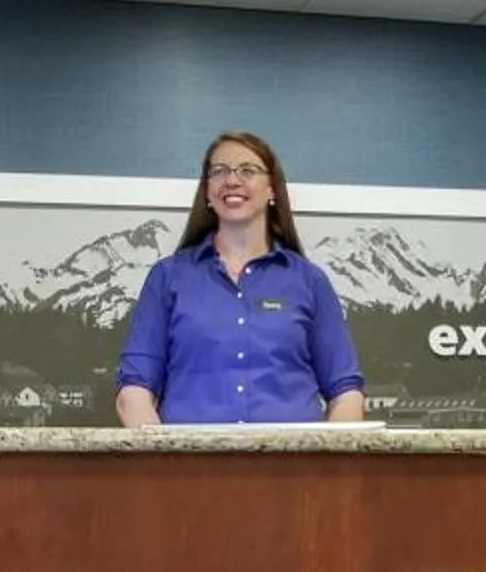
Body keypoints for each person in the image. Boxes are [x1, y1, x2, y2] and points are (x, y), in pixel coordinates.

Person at [115, 131, 366, 425]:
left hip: (293, 468)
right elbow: (133, 393)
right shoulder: (167, 277)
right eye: (219, 171)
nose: (232, 180)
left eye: (248, 170)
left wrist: (326, 467)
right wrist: (166, 463)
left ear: (273, 188)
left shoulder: (310, 281)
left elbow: (347, 393)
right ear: (207, 192)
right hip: (190, 468)